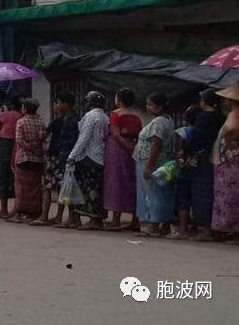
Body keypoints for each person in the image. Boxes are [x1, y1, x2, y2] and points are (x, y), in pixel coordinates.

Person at [173, 92, 225, 241]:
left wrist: (186, 150)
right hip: (214, 157)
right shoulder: (221, 117)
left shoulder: (205, 117)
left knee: (200, 192)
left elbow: (197, 139)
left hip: (201, 157)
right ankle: (210, 227)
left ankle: (204, 229)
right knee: (209, 191)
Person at [32, 91, 79, 227]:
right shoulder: (74, 118)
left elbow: (44, 136)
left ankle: (45, 215)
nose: (56, 106)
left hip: (58, 157)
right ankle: (60, 216)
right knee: (62, 188)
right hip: (64, 156)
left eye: (58, 103)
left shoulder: (62, 121)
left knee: (48, 186)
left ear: (65, 104)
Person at [133, 92, 176, 237]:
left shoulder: (158, 123)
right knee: (162, 194)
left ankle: (154, 225)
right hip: (162, 163)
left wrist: (147, 166)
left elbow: (156, 144)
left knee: (153, 194)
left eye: (151, 105)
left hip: (152, 163)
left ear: (160, 107)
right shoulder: (168, 120)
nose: (148, 107)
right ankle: (163, 225)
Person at [67, 91, 109, 230]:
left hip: (89, 156)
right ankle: (97, 218)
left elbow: (83, 138)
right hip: (100, 156)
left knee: (91, 189)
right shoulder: (104, 116)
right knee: (97, 188)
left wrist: (72, 156)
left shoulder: (90, 116)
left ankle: (94, 220)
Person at [104, 88, 144, 231]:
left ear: (119, 99)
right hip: (134, 149)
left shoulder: (115, 114)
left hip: (117, 151)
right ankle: (135, 219)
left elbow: (115, 134)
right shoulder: (137, 116)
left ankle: (116, 220)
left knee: (116, 182)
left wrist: (126, 146)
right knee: (132, 183)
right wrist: (132, 147)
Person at [7, 98, 45, 223]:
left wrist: (30, 149)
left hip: (23, 158)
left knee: (21, 187)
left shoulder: (21, 122)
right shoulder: (40, 121)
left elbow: (20, 141)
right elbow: (42, 138)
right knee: (35, 187)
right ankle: (33, 212)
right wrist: (37, 150)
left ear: (25, 108)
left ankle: (18, 213)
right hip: (38, 159)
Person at [212, 84, 239, 244]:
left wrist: (230, 144)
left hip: (231, 161)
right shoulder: (233, 114)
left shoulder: (235, 115)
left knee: (231, 197)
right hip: (227, 160)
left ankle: (234, 230)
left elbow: (231, 132)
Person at [0, 96, 21, 218]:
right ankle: (17, 208)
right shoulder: (21, 117)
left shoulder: (3, 116)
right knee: (16, 179)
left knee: (2, 178)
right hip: (18, 147)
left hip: (4, 146)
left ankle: (3, 208)